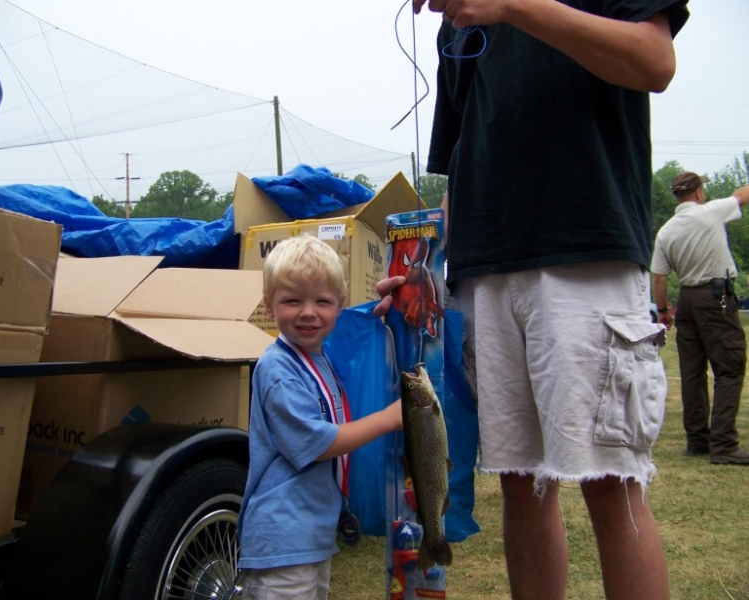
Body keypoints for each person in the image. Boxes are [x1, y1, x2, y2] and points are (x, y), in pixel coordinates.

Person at [376, 1, 691, 598]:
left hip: (586, 251)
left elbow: (656, 60)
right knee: (519, 482)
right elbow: (464, 161)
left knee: (611, 481)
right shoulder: (460, 19)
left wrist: (512, 5)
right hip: (485, 269)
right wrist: (423, 271)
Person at [238, 234, 403, 600]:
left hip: (312, 535)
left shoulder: (318, 354)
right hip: (281, 541)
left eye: (322, 301)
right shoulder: (278, 368)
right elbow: (318, 443)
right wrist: (390, 418)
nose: (308, 312)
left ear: (340, 306)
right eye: (292, 300)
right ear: (269, 305)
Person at [650, 171, 749, 465]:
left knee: (692, 373)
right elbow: (742, 196)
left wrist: (664, 311)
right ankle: (724, 444)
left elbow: (659, 276)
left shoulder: (666, 231)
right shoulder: (710, 213)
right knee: (729, 368)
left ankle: (697, 440)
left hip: (688, 302)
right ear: (698, 193)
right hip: (715, 298)